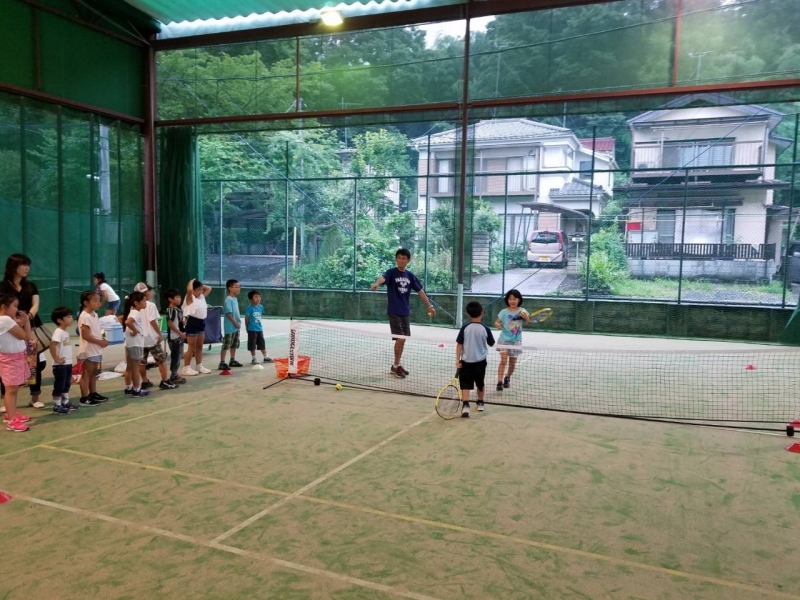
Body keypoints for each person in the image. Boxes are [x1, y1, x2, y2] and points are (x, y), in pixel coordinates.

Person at [370, 248, 435, 379]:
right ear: (396, 259)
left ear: (408, 260)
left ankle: (397, 365)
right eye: (399, 258)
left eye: (403, 258)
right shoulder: (391, 273)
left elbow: (420, 291)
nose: (401, 260)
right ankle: (395, 365)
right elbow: (382, 278)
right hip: (394, 311)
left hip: (405, 312)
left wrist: (429, 305)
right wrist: (376, 284)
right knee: (400, 338)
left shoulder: (410, 276)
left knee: (403, 339)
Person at [0, 254, 45, 410]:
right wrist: (16, 321)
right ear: (13, 267)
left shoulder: (30, 286)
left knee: (35, 362)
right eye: (23, 265)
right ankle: (7, 401)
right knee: (7, 364)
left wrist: (27, 318)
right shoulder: (3, 287)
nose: (27, 268)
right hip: (10, 329)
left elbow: (36, 304)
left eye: (28, 265)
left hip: (30, 327)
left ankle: (35, 397)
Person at [456, 301, 495, 418]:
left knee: (465, 385)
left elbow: (459, 344)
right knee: (480, 383)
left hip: (466, 362)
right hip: (480, 362)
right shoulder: (485, 329)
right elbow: (492, 344)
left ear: (468, 314)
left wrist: (457, 360)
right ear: (482, 312)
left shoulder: (465, 328)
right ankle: (480, 402)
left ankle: (466, 406)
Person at [134, 282, 176, 390]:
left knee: (142, 362)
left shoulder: (133, 305)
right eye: (149, 290)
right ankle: (164, 381)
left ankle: (145, 381)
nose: (151, 292)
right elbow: (152, 321)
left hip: (139, 338)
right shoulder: (150, 305)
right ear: (144, 293)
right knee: (161, 360)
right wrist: (159, 334)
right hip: (151, 338)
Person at [0, 295, 32, 432]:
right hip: (10, 359)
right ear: (3, 307)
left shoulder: (8, 321)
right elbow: (25, 336)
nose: (17, 309)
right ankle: (12, 420)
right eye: (14, 306)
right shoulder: (5, 320)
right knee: (11, 389)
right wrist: (26, 321)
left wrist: (23, 322)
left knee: (14, 388)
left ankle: (11, 413)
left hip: (16, 357)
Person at [494, 289, 530, 392]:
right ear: (507, 300)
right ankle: (499, 382)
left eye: (514, 299)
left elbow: (527, 322)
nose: (512, 301)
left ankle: (507, 377)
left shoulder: (522, 311)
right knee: (504, 361)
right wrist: (498, 325)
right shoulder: (503, 312)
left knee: (512, 363)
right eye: (510, 299)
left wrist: (526, 317)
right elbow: (496, 322)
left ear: (519, 300)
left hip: (516, 341)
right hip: (504, 340)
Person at [77, 290, 109, 407]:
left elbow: (98, 329)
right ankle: (84, 398)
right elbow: (86, 336)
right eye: (95, 301)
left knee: (94, 372)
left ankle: (93, 393)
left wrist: (104, 338)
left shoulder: (94, 314)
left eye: (99, 301)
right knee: (87, 373)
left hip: (96, 348)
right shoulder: (84, 316)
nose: (98, 303)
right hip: (88, 350)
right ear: (86, 303)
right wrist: (100, 341)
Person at [181, 278, 212, 376]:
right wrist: (191, 281)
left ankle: (199, 366)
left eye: (201, 290)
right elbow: (189, 290)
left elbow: (209, 288)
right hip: (192, 323)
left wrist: (200, 286)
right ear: (193, 290)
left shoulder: (201, 297)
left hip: (201, 323)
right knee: (192, 348)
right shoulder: (189, 298)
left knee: (199, 347)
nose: (200, 292)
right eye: (198, 290)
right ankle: (186, 368)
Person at [49, 307, 77, 415]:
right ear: (59, 320)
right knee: (59, 386)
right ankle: (57, 405)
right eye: (68, 317)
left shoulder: (65, 332)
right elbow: (52, 345)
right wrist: (56, 358)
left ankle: (65, 402)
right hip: (60, 365)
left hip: (67, 364)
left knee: (66, 384)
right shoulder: (58, 332)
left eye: (71, 316)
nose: (71, 319)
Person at [122, 291, 149, 398]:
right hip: (135, 343)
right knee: (135, 368)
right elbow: (128, 322)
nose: (145, 302)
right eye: (143, 301)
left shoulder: (132, 311)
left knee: (129, 367)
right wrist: (134, 331)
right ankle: (137, 389)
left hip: (129, 343)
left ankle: (128, 387)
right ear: (136, 303)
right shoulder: (136, 313)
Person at [164, 289, 187, 385]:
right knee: (175, 357)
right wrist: (179, 333)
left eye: (180, 297)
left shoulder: (177, 310)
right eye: (177, 297)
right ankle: (173, 375)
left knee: (178, 356)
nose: (179, 299)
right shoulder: (171, 310)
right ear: (170, 299)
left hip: (178, 337)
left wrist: (183, 322)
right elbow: (170, 323)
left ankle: (175, 374)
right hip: (174, 338)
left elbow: (178, 322)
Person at [219, 279, 243, 370]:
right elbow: (228, 313)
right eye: (236, 287)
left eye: (239, 287)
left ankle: (232, 360)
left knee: (234, 344)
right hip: (230, 326)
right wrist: (235, 323)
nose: (238, 289)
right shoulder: (228, 299)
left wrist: (237, 324)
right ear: (230, 288)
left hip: (236, 327)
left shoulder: (235, 299)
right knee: (226, 344)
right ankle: (222, 362)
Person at [245, 290, 272, 364]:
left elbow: (260, 316)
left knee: (262, 343)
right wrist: (247, 327)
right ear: (251, 300)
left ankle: (265, 357)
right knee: (252, 344)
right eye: (256, 297)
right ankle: (254, 358)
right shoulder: (249, 308)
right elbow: (247, 318)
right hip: (252, 329)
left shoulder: (261, 307)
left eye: (259, 297)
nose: (258, 298)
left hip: (259, 329)